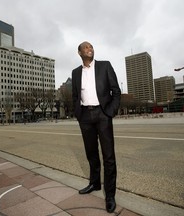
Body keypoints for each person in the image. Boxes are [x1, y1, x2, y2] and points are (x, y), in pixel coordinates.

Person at [72, 41, 121, 213]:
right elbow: (75, 96)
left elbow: (116, 91)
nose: (89, 49)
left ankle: (110, 195)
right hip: (85, 116)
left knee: (108, 156)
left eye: (91, 46)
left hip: (103, 114)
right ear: (79, 52)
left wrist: (110, 111)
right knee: (91, 153)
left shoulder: (104, 66)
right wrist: (78, 113)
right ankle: (94, 183)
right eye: (86, 47)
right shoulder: (75, 72)